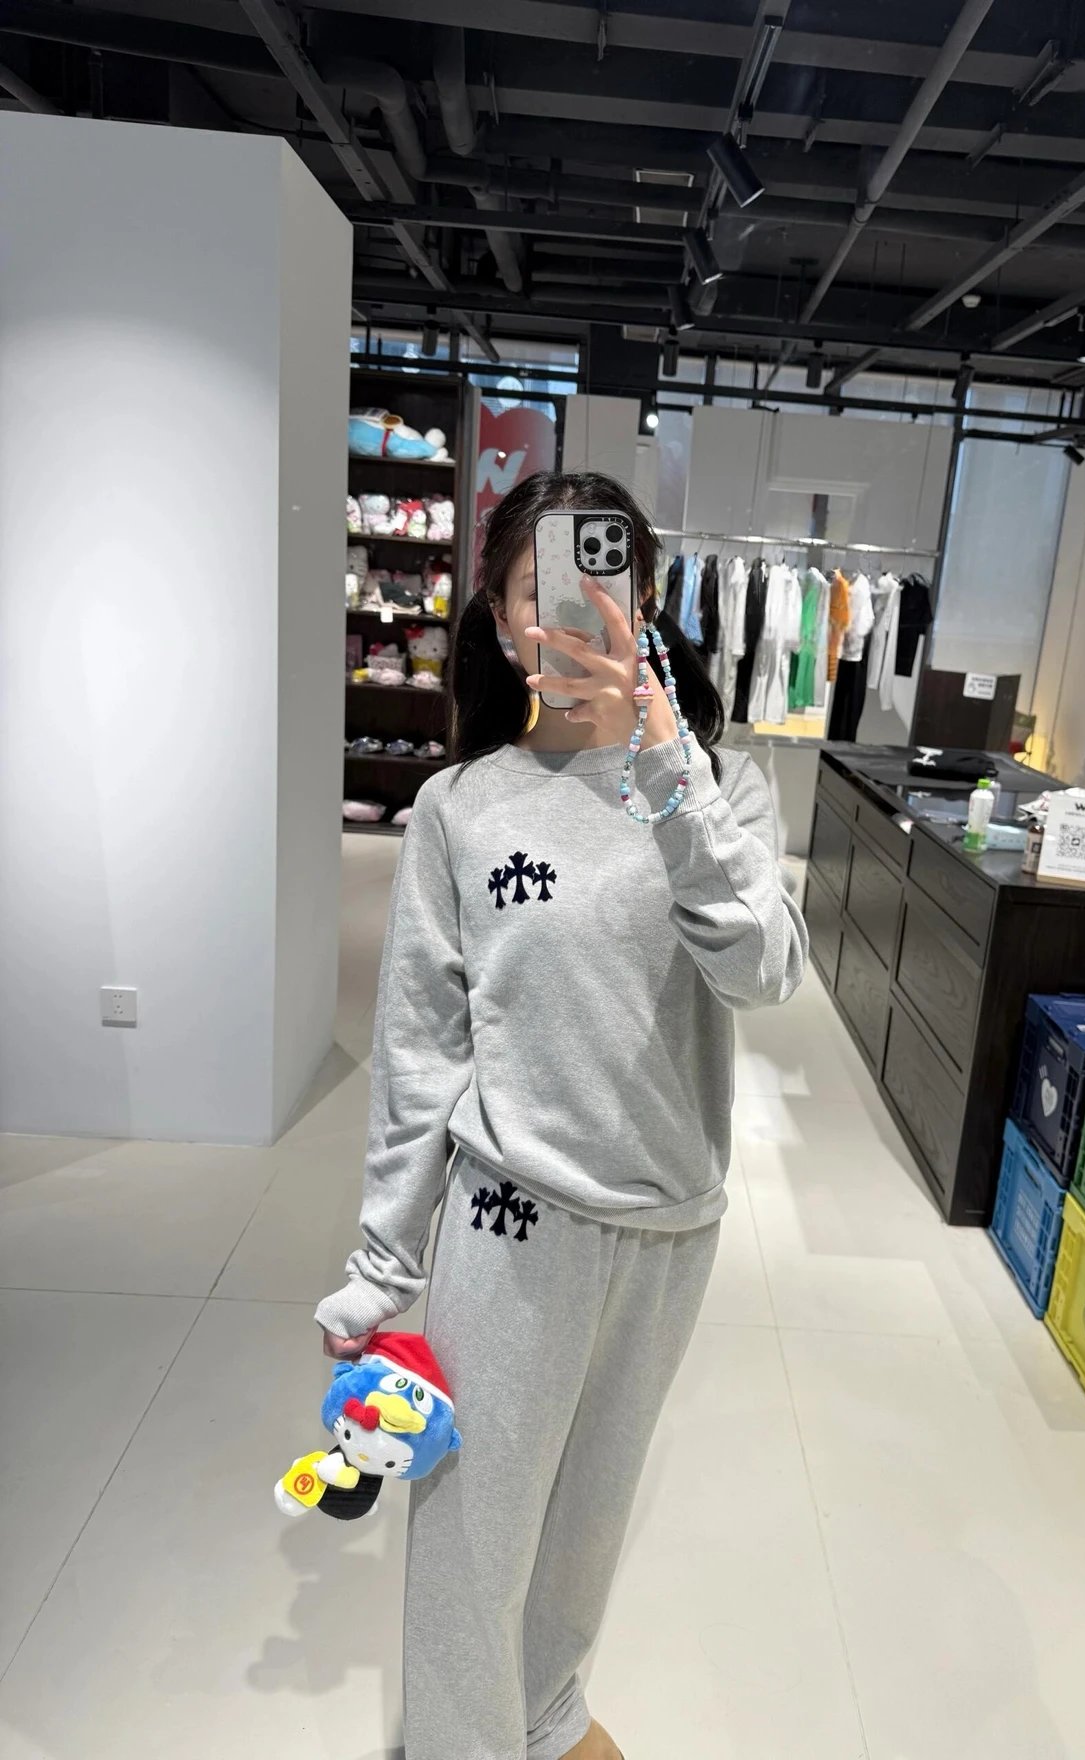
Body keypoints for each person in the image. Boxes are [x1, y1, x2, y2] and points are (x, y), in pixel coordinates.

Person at [315, 470, 808, 1760]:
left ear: (646, 601)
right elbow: (419, 1057)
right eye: (541, 591)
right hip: (511, 1224)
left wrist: (667, 765)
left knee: (587, 1527)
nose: (573, 614)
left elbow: (764, 972)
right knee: (472, 1540)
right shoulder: (460, 811)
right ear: (496, 616)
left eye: (604, 582)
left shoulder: (720, 788)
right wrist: (384, 1263)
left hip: (670, 1226)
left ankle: (541, 1717)